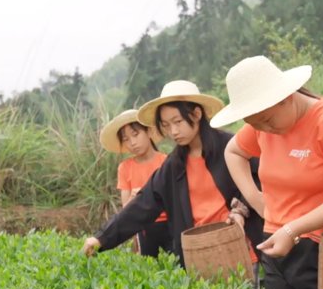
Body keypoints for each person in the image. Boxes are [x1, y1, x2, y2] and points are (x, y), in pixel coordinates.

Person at [212, 56, 323, 289]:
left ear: (286, 97)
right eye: (255, 124)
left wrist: (294, 228)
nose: (264, 130)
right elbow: (234, 151)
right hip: (276, 242)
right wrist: (256, 199)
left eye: (267, 120)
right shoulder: (263, 127)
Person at [83, 81, 262, 265]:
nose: (173, 131)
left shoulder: (230, 147)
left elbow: (261, 178)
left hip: (241, 248)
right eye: (166, 125)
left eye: (178, 122)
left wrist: (240, 210)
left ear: (196, 114)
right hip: (199, 254)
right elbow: (142, 204)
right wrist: (102, 238)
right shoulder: (174, 165)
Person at [100, 109, 169, 256]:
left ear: (149, 132)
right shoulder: (125, 168)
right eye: (126, 139)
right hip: (143, 226)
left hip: (170, 222)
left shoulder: (166, 162)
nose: (132, 143)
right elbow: (126, 208)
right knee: (147, 263)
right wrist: (134, 198)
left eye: (136, 134)